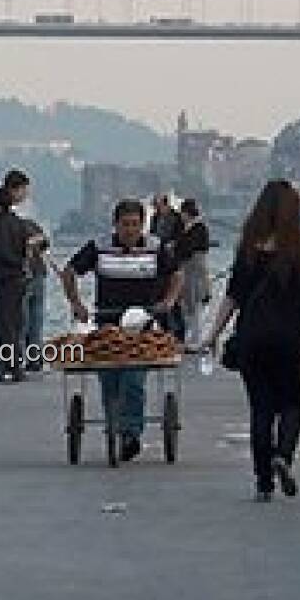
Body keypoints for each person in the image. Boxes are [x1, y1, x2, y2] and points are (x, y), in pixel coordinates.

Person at [201, 180, 300, 501]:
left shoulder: (248, 251)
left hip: (252, 340)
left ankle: (263, 482)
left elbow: (232, 297)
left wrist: (212, 335)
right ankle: (283, 456)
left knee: (260, 408)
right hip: (291, 340)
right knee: (293, 405)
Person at [60, 198, 183, 462]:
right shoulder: (100, 247)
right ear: (115, 225)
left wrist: (169, 301)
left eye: (136, 224)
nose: (130, 230)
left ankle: (130, 432)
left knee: (133, 379)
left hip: (142, 325)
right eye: (125, 224)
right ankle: (113, 426)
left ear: (143, 225)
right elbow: (69, 271)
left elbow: (176, 274)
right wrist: (76, 303)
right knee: (109, 379)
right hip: (107, 322)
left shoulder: (155, 248)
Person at [0, 184, 29, 382]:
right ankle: (16, 365)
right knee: (16, 322)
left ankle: (8, 366)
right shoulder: (20, 224)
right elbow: (24, 249)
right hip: (19, 279)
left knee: (3, 325)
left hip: (4, 279)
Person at [176, 197, 211, 345]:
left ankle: (195, 340)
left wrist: (176, 249)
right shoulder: (189, 227)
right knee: (187, 305)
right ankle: (190, 338)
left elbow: (188, 249)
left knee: (195, 304)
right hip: (189, 270)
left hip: (195, 271)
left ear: (187, 212)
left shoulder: (198, 227)